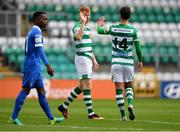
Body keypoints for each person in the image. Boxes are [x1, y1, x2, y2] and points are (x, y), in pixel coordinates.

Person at [8, 11, 64, 125]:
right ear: (36, 20)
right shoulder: (37, 32)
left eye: (47, 19)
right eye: (44, 19)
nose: (46, 22)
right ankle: (13, 117)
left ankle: (51, 118)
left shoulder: (33, 32)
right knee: (26, 89)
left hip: (35, 66)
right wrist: (48, 65)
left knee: (41, 91)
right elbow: (39, 49)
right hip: (32, 66)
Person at [97, 6, 143, 121]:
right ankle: (130, 104)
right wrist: (140, 60)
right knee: (129, 86)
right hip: (128, 62)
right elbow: (138, 48)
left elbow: (99, 31)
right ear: (129, 16)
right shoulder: (133, 31)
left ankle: (123, 116)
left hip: (116, 62)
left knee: (118, 89)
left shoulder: (113, 28)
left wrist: (100, 23)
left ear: (120, 15)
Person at [58, 5, 104, 120]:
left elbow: (89, 46)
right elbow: (78, 37)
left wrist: (94, 59)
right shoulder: (77, 26)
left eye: (89, 14)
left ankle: (63, 106)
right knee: (87, 85)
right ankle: (91, 114)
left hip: (88, 57)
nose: (88, 16)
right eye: (86, 14)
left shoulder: (88, 28)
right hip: (82, 58)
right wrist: (83, 23)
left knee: (81, 86)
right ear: (81, 14)